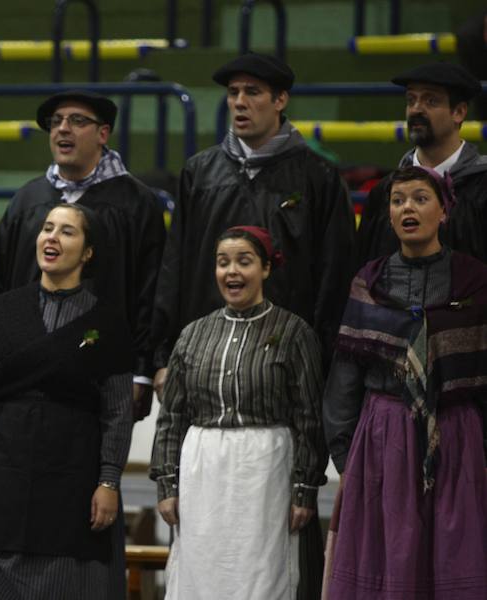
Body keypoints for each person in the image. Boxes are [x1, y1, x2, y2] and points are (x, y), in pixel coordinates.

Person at [151, 55, 353, 596]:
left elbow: (334, 279)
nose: (240, 102)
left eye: (253, 93)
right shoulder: (201, 172)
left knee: (281, 549)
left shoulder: (316, 176)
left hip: (288, 384)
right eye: (234, 93)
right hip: (208, 373)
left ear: (281, 100)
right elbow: (177, 266)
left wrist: (330, 372)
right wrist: (165, 353)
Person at [0, 203, 134, 600]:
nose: (51, 237)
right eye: (47, 228)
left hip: (73, 479)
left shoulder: (108, 324)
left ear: (88, 252)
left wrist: (109, 480)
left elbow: (118, 411)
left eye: (67, 232)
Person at [323, 165, 487, 599]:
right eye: (398, 201)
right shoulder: (370, 283)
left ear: (444, 211)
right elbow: (345, 375)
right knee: (390, 553)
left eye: (419, 198)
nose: (407, 208)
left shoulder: (475, 282)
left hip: (457, 435)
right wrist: (346, 456)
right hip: (385, 436)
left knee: (454, 553)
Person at [150, 226, 328, 600]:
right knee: (202, 573)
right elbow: (172, 417)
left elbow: (309, 417)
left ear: (265, 268)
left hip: (265, 472)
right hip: (203, 473)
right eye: (223, 262)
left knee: (262, 575)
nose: (232, 271)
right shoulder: (193, 334)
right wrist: (167, 484)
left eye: (244, 261)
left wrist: (305, 489)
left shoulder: (294, 332)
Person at [0, 91, 165, 421]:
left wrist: (141, 371)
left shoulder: (136, 203)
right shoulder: (27, 200)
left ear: (103, 134)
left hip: (100, 371)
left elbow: (149, 290)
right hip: (21, 370)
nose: (63, 129)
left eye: (77, 121)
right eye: (56, 122)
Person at [356, 62, 487, 265]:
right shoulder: (384, 192)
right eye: (411, 100)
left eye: (431, 101)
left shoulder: (482, 187)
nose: (416, 109)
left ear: (459, 112)